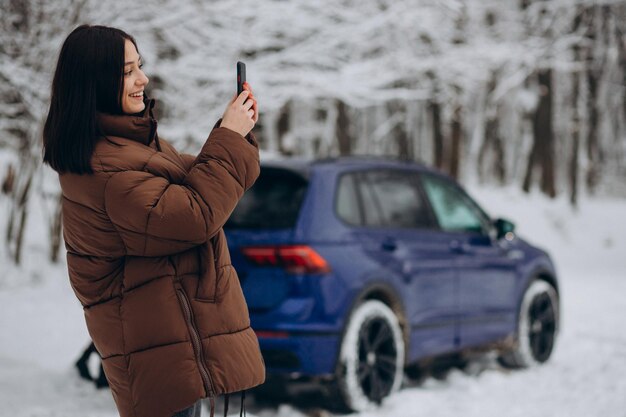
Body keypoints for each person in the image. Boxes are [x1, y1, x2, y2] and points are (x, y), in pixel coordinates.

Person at [42, 25, 265, 417]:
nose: (142, 79)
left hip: (169, 355)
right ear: (96, 81)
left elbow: (203, 182)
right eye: (128, 71)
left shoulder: (131, 147)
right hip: (161, 364)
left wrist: (233, 135)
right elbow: (195, 215)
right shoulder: (105, 170)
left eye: (139, 66)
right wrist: (228, 137)